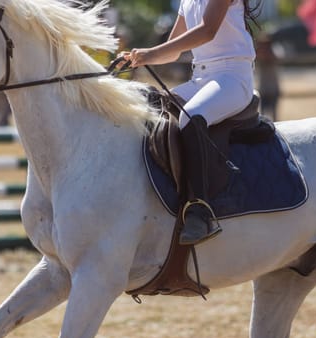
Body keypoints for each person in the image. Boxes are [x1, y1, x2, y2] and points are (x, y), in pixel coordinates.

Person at [120, 0, 261, 245]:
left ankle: (200, 209)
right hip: (201, 78)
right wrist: (138, 57)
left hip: (232, 77)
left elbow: (207, 31)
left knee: (191, 116)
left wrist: (151, 54)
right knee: (151, 108)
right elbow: (174, 50)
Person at [256, 33, 280, 121]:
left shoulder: (275, 50)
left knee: (274, 115)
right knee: (262, 116)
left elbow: (276, 57)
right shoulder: (258, 53)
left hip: (273, 88)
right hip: (263, 89)